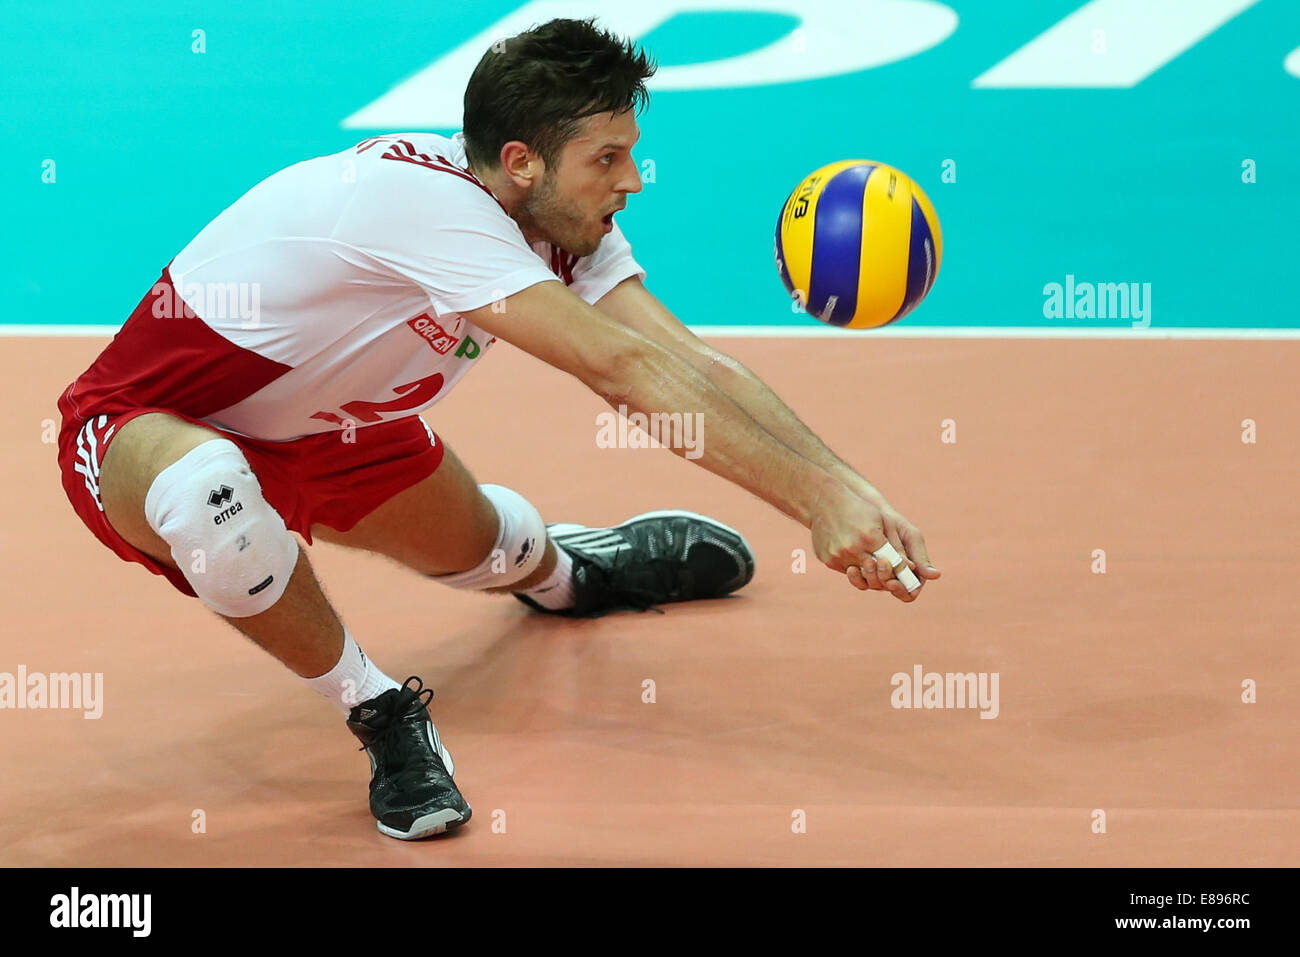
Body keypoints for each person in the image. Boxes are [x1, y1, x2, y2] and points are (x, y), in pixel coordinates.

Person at [55, 16, 939, 841]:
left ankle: (567, 572)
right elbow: (621, 371)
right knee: (211, 499)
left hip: (337, 433)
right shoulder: (424, 204)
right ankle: (379, 711)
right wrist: (815, 506)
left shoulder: (564, 225)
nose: (632, 180)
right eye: (609, 158)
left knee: (489, 547)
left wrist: (844, 487)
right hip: (148, 425)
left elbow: (686, 363)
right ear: (522, 161)